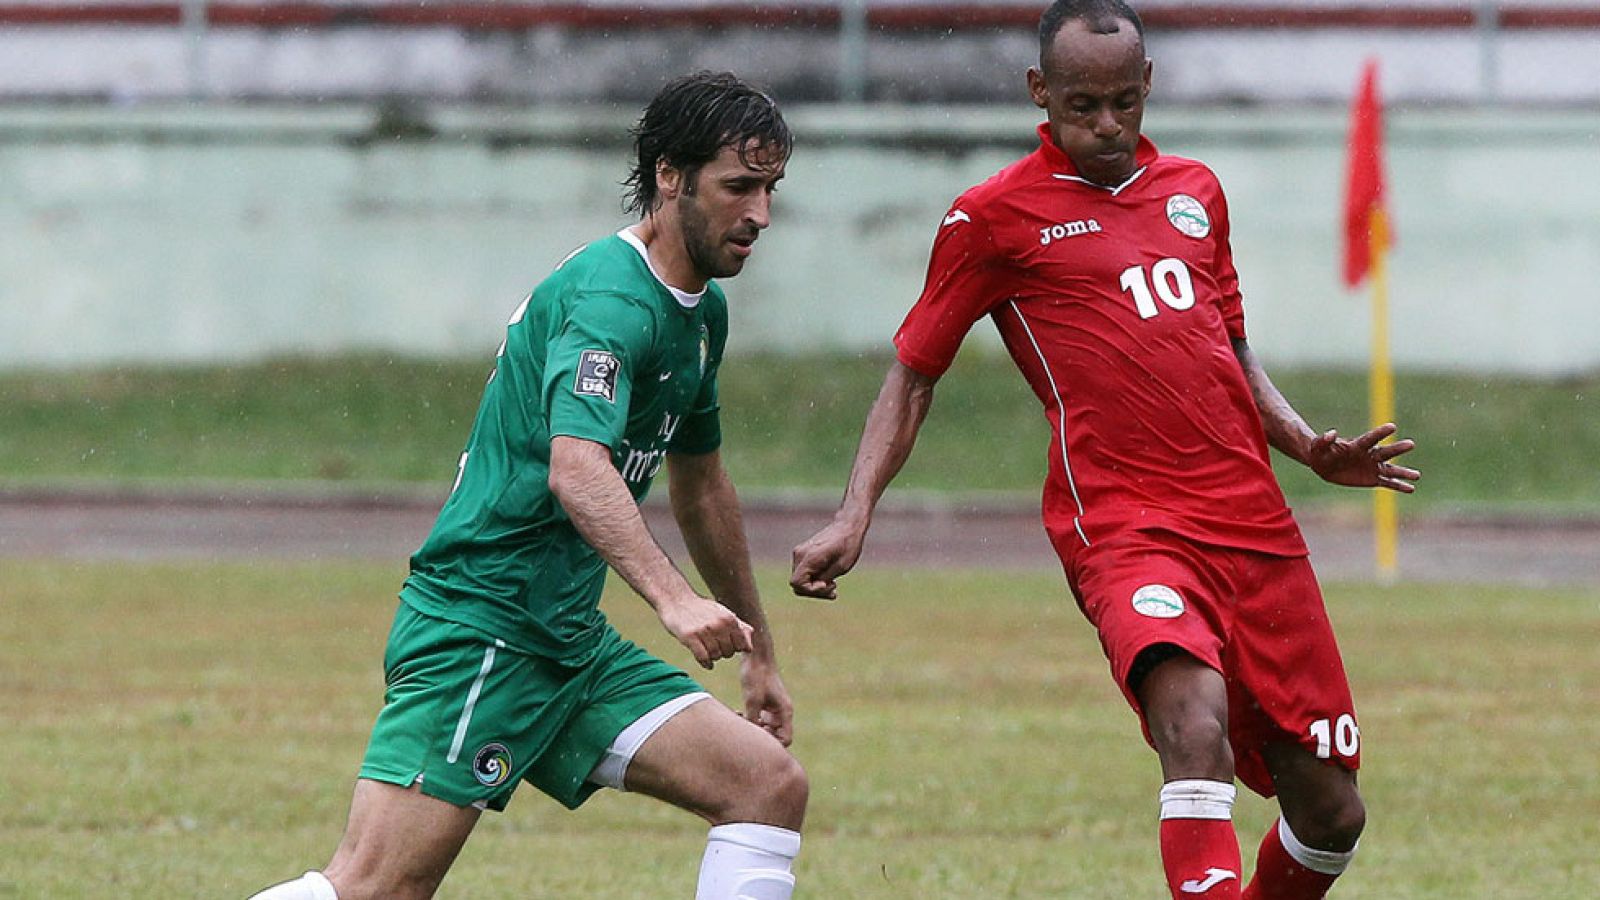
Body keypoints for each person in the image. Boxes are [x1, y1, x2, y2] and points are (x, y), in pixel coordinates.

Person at [789, 3, 1419, 898]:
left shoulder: (1196, 191)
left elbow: (1228, 345)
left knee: (1331, 811)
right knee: (1192, 725)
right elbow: (913, 372)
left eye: (1125, 101)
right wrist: (855, 515)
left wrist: (1306, 444)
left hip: (1253, 524)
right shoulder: (991, 219)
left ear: (1148, 85)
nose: (1108, 124)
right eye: (1084, 104)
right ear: (1039, 92)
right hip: (1127, 527)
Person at [250, 71, 806, 900]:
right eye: (739, 186)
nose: (760, 214)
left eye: (770, 188)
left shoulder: (699, 314)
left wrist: (758, 648)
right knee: (374, 887)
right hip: (482, 626)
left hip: (565, 640)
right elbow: (576, 469)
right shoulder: (612, 298)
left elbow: (703, 486)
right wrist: (674, 601)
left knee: (766, 786)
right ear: (669, 175)